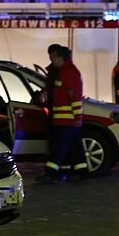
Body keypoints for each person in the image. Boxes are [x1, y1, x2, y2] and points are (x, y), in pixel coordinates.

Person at [39, 44, 88, 184]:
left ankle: (50, 173)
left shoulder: (69, 73)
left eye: (54, 57)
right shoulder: (62, 72)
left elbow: (75, 98)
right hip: (65, 119)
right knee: (75, 148)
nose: (51, 59)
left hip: (66, 120)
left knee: (58, 148)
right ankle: (82, 173)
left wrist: (77, 118)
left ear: (61, 57)